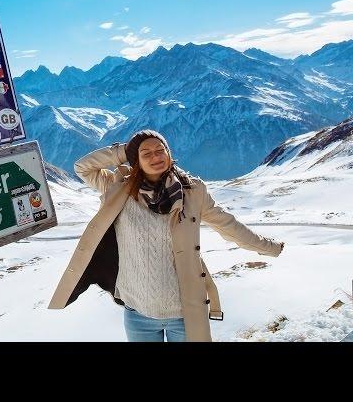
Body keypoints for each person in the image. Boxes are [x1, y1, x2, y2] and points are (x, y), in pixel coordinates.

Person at [48, 129, 285, 342]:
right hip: (138, 311)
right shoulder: (118, 188)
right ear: (136, 161)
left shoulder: (193, 192)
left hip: (185, 312)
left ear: (169, 153)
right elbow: (83, 167)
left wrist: (269, 247)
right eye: (146, 153)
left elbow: (229, 226)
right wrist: (124, 150)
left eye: (160, 150)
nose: (155, 157)